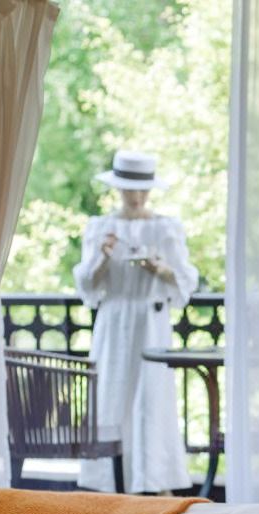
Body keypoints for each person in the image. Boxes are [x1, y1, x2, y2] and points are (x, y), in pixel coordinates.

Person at [73, 150, 199, 493]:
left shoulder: (165, 227)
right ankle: (109, 481)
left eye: (142, 190)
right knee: (110, 394)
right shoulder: (101, 227)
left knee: (151, 399)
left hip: (150, 322)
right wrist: (103, 257)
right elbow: (87, 285)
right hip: (114, 322)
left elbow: (186, 279)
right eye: (130, 189)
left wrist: (160, 269)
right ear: (118, 189)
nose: (137, 196)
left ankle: (153, 480)